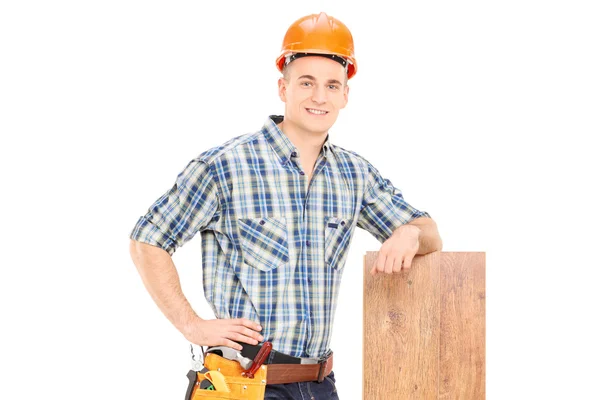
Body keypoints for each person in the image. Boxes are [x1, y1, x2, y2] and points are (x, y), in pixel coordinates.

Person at [129, 11, 442, 400]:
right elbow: (148, 240)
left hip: (319, 383)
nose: (319, 97)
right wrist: (192, 326)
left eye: (332, 85)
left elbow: (430, 233)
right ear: (283, 87)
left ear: (346, 94)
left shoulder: (354, 175)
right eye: (306, 82)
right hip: (242, 381)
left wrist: (409, 231)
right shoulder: (225, 166)